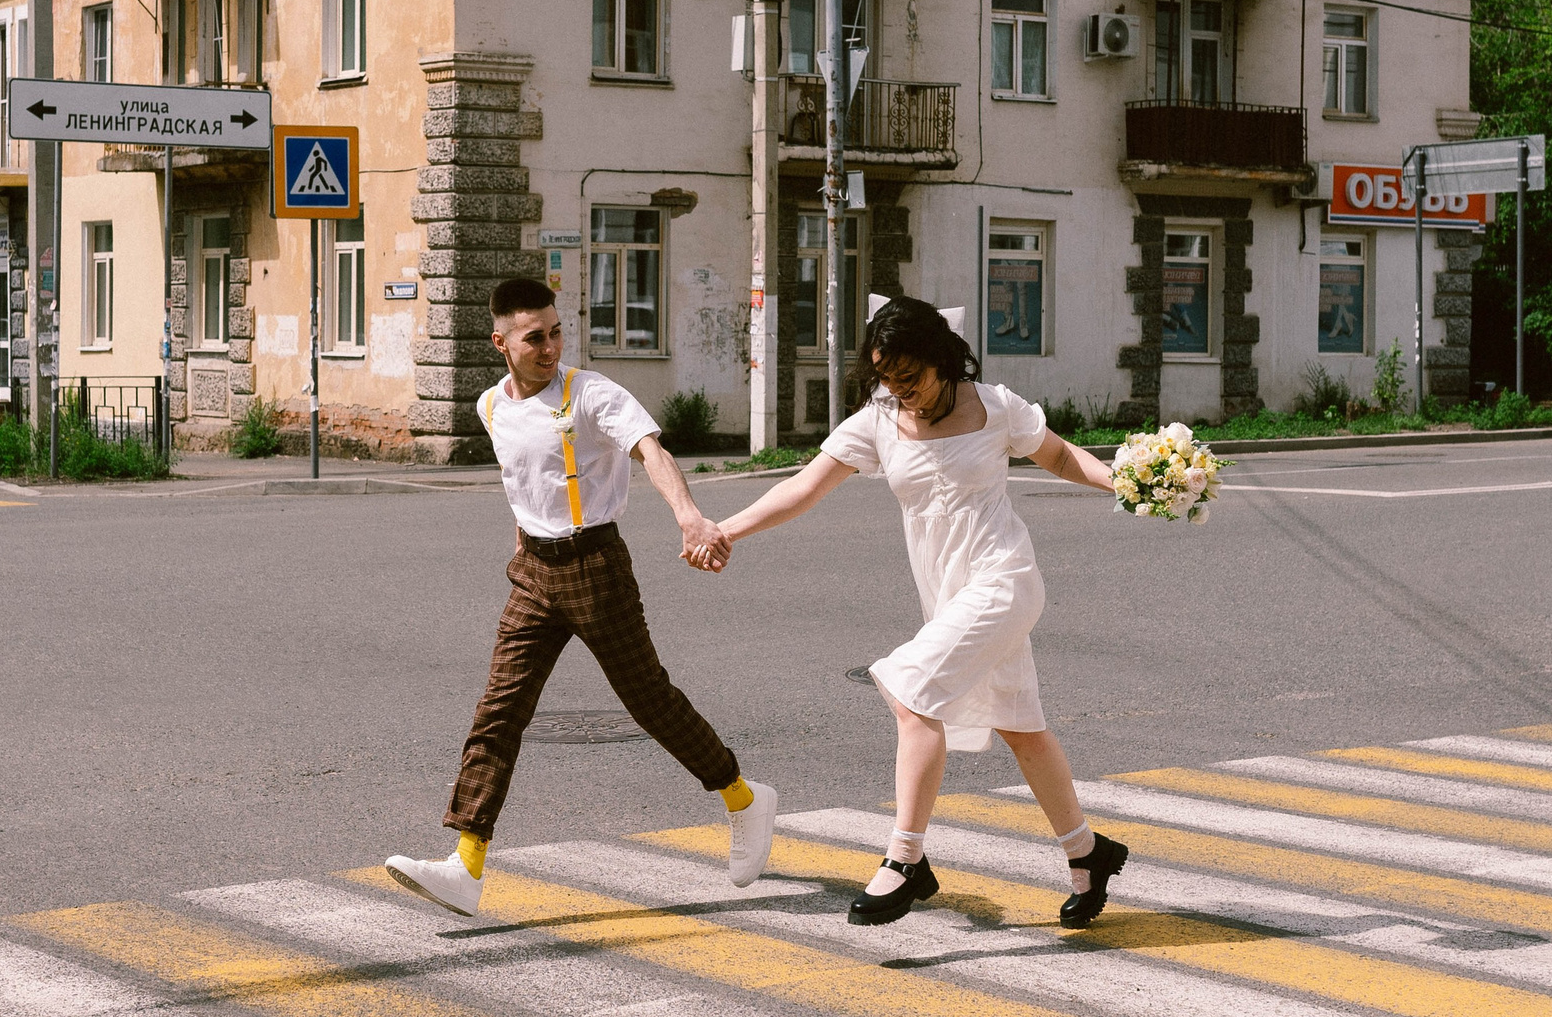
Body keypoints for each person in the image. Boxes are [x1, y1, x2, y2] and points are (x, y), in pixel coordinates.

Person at [709, 295, 1131, 927]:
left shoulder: (994, 407)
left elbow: (1061, 456)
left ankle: (905, 860)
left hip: (1004, 579)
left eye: (910, 377)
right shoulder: (878, 421)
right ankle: (1087, 851)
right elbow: (801, 487)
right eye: (886, 378)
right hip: (949, 596)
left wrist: (1129, 481)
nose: (898, 390)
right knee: (1020, 727)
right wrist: (726, 530)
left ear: (944, 360)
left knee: (911, 693)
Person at [384, 277, 776, 917]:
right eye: (534, 337)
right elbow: (523, 482)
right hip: (534, 573)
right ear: (502, 344)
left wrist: (690, 517)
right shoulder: (491, 406)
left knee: (648, 699)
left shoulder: (591, 393)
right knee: (499, 710)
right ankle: (467, 864)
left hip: (595, 564)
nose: (549, 346)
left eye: (556, 332)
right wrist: (522, 545)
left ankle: (743, 798)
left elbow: (651, 450)